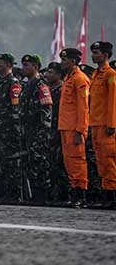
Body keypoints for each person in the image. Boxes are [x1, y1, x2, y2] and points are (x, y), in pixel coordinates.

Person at [58, 48, 90, 207]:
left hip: (74, 129)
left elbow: (83, 107)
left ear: (73, 61)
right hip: (65, 126)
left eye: (65, 60)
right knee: (69, 162)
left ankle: (81, 195)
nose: (62, 63)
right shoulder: (68, 79)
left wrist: (80, 130)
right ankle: (74, 193)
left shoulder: (80, 79)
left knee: (77, 161)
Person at [19, 54, 52, 204]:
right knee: (31, 163)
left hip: (39, 131)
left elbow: (46, 108)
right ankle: (35, 194)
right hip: (29, 131)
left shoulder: (41, 85)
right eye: (23, 65)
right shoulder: (28, 85)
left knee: (40, 162)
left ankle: (42, 195)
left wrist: (42, 131)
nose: (23, 68)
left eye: (27, 65)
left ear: (36, 67)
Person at [0, 53, 23, 203]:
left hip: (9, 130)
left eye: (0, 63)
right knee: (2, 162)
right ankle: (5, 191)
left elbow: (15, 107)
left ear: (9, 65)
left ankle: (15, 193)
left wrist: (15, 130)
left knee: (11, 162)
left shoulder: (13, 82)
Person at [89, 41, 116, 208]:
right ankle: (105, 196)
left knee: (109, 161)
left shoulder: (111, 74)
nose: (93, 55)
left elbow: (113, 101)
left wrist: (112, 124)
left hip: (106, 124)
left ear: (105, 55)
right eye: (93, 52)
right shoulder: (95, 74)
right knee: (100, 160)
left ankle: (112, 197)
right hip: (95, 123)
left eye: (96, 53)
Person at [44, 62, 69, 202]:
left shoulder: (62, 90)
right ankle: (54, 194)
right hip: (49, 131)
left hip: (59, 130)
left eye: (51, 72)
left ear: (59, 75)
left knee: (60, 163)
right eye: (47, 72)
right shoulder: (49, 89)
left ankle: (63, 195)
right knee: (51, 163)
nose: (47, 74)